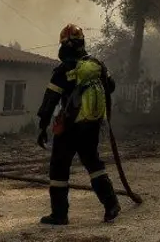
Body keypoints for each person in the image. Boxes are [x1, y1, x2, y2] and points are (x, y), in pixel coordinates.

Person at [36, 23, 121, 225]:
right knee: (94, 164)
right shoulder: (97, 65)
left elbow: (50, 100)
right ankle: (111, 205)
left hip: (70, 126)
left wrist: (42, 126)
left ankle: (59, 214)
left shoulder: (63, 70)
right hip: (90, 126)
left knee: (59, 168)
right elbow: (111, 87)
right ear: (83, 42)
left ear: (63, 46)